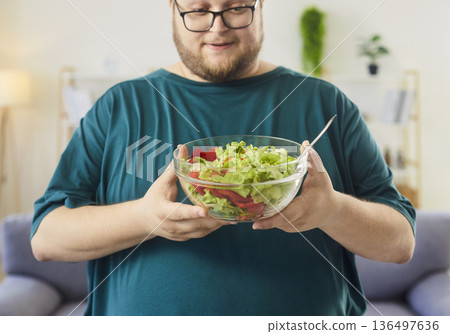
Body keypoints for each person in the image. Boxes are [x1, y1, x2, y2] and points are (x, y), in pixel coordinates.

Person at [31, 0, 415, 316]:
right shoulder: (120, 106)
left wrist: (331, 211)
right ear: (173, 11)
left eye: (235, 8)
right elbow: (46, 238)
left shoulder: (324, 103)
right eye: (198, 9)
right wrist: (144, 218)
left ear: (260, 8)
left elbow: (401, 242)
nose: (217, 27)